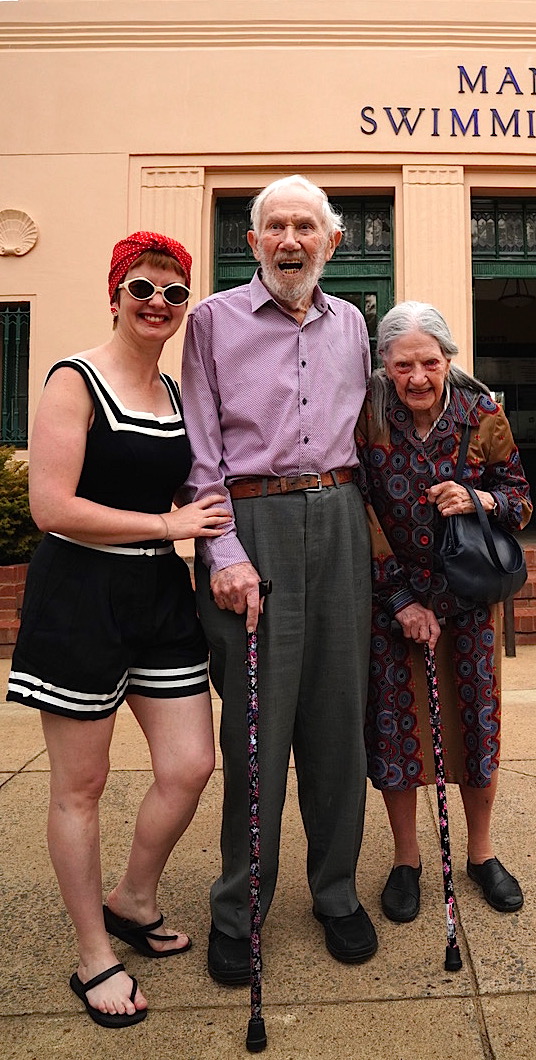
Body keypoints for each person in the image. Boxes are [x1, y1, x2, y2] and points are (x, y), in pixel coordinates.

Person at [7, 232, 231, 1027]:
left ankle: (133, 895)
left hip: (159, 599)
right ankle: (92, 951)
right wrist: (165, 524)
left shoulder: (175, 394)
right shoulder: (75, 379)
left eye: (175, 293)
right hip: (81, 596)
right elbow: (52, 507)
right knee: (82, 785)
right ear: (115, 293)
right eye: (143, 287)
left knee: (190, 764)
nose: (158, 304)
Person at [180, 174, 377, 982]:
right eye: (275, 226)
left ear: (331, 241)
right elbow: (199, 454)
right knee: (255, 730)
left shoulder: (355, 324)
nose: (290, 239)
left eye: (306, 226)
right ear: (253, 241)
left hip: (339, 519)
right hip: (250, 527)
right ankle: (240, 905)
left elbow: (378, 429)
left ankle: (335, 892)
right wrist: (223, 558)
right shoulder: (210, 323)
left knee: (339, 725)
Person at [355, 301, 532, 924]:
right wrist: (399, 599)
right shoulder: (367, 417)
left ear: (448, 360)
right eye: (404, 365)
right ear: (385, 366)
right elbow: (361, 513)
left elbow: (520, 497)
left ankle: (481, 854)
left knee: (477, 725)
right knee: (397, 732)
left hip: (469, 599)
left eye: (430, 362)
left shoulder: (482, 413)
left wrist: (478, 495)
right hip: (394, 600)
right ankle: (407, 860)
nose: (418, 378)